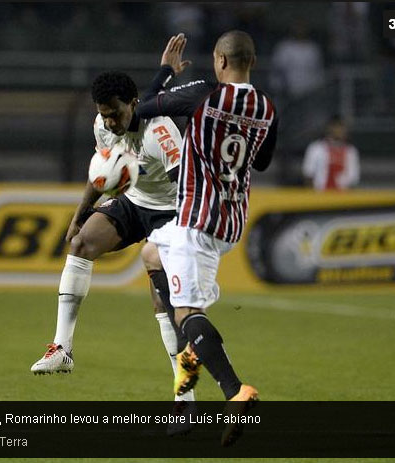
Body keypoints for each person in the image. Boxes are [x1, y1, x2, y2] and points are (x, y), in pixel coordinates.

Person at [136, 31, 278, 446]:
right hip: (231, 219)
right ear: (251, 61)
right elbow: (263, 161)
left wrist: (164, 71)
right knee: (150, 255)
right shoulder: (266, 107)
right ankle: (189, 354)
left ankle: (234, 391)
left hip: (196, 221)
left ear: (219, 60)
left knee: (187, 312)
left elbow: (140, 112)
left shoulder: (202, 93)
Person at [29, 71, 196, 408]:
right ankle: (62, 348)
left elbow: (186, 186)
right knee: (81, 243)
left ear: (134, 104)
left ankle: (186, 397)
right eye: (104, 113)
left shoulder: (160, 131)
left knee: (163, 305)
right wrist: (81, 212)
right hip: (134, 202)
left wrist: (184, 234)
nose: (110, 121)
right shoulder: (102, 125)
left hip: (171, 212)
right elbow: (101, 170)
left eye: (116, 113)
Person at [302, 116, 360, 191]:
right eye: (337, 127)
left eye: (342, 128)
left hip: (343, 197)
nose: (340, 131)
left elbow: (353, 180)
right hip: (320, 196)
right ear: (329, 128)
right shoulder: (316, 148)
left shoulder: (351, 151)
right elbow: (308, 175)